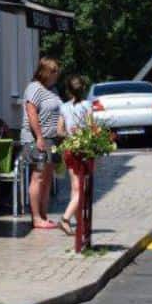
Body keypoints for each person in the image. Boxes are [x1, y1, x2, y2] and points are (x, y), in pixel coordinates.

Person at [21, 57, 63, 230]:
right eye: (53, 72)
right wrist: (39, 137)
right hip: (37, 139)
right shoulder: (34, 88)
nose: (56, 75)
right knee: (37, 177)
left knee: (47, 178)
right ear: (45, 72)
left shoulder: (53, 89)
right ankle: (36, 217)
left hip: (52, 139)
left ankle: (44, 215)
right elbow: (31, 113)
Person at [57, 74, 93, 236]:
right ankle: (65, 219)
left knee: (75, 187)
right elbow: (92, 128)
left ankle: (78, 221)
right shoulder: (87, 105)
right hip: (82, 149)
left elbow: (59, 131)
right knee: (82, 189)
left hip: (69, 148)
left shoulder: (64, 107)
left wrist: (69, 135)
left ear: (68, 91)